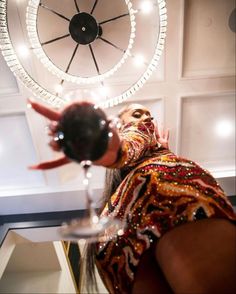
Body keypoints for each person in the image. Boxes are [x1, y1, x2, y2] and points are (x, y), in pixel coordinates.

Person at [28, 100, 236, 294]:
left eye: (149, 117)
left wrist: (162, 150)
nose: (147, 119)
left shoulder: (117, 200)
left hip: (116, 238)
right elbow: (134, 142)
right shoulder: (141, 133)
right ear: (118, 127)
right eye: (137, 114)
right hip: (169, 191)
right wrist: (119, 151)